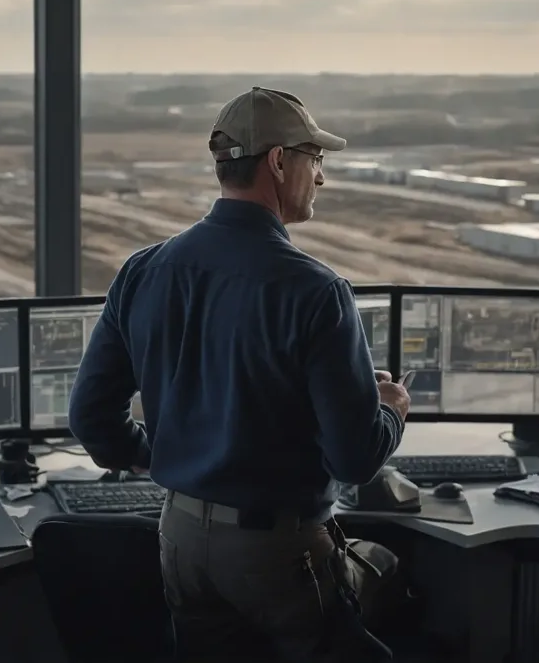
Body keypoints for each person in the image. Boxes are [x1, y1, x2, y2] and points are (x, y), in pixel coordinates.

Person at [67, 87, 411, 662]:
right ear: (279, 162)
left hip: (178, 541)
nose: (320, 177)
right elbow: (354, 460)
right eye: (315, 158)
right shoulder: (315, 290)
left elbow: (91, 420)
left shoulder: (144, 269)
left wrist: (177, 460)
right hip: (277, 552)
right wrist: (389, 411)